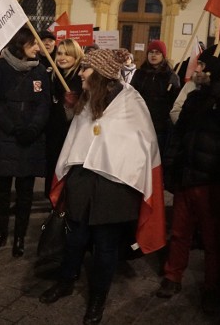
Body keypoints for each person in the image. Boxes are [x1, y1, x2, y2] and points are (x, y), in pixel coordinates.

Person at [39, 48, 165, 325]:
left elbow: (143, 145)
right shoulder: (88, 99)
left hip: (115, 186)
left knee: (106, 246)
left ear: (101, 75)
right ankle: (66, 281)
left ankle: (97, 298)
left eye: (86, 69)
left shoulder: (131, 103)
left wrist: (118, 162)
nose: (82, 73)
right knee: (74, 238)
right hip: (83, 181)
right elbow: (79, 136)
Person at [156, 45, 220, 315]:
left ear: (215, 70)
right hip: (187, 176)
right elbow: (180, 134)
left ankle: (212, 286)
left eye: (202, 66)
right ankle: (173, 276)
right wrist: (172, 167)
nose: (196, 69)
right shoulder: (194, 98)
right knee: (180, 232)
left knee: (211, 237)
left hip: (212, 180)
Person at [0, 27, 51, 258]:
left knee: (25, 192)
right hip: (5, 137)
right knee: (2, 190)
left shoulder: (41, 70)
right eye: (33, 43)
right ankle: (1, 233)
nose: (38, 48)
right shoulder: (0, 68)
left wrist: (32, 128)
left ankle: (19, 236)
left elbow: (44, 105)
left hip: (30, 140)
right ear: (20, 44)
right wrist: (13, 128)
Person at [42, 38, 83, 198]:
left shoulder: (81, 77)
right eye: (59, 53)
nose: (62, 57)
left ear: (76, 56)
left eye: (67, 54)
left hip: (73, 133)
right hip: (53, 131)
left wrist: (74, 104)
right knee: (52, 167)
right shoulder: (52, 75)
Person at [130, 40, 180, 154]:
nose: (153, 55)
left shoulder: (170, 76)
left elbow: (175, 101)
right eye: (151, 52)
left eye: (157, 52)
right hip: (141, 122)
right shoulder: (139, 73)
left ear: (163, 55)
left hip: (160, 125)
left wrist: (176, 87)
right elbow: (132, 95)